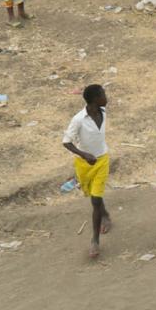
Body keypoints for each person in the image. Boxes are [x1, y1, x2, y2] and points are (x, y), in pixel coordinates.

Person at [62, 83, 111, 258]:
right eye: (103, 94)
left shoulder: (103, 112)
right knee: (93, 195)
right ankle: (105, 215)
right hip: (84, 164)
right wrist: (84, 154)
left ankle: (95, 241)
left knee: (95, 199)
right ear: (95, 99)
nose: (106, 97)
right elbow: (66, 142)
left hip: (102, 160)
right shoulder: (78, 120)